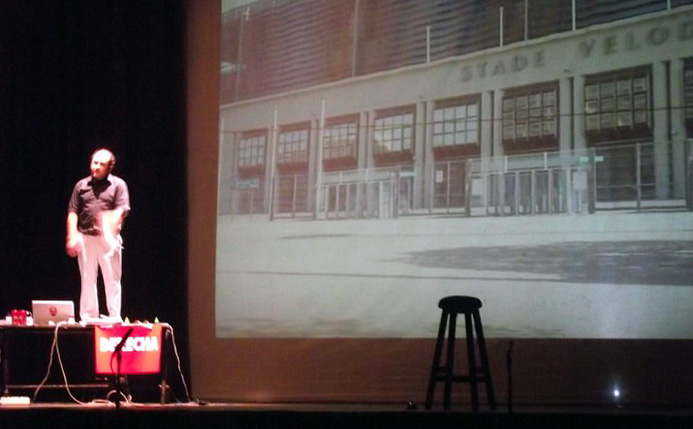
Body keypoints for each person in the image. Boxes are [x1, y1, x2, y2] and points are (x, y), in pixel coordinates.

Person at [66, 148, 130, 321]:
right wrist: (71, 236)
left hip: (108, 240)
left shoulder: (118, 185)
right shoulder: (81, 186)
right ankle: (88, 317)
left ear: (109, 167)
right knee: (87, 279)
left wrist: (109, 226)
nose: (96, 166)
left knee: (112, 280)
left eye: (101, 164)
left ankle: (114, 316)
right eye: (95, 162)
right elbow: (73, 211)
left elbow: (122, 210)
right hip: (86, 237)